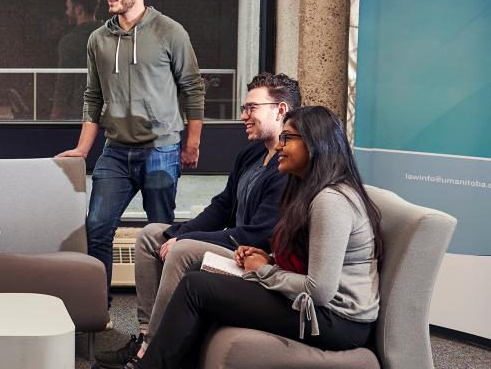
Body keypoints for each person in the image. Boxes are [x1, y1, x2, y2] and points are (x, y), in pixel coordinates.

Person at [105, 106, 383, 369]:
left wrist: (263, 271)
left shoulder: (330, 200)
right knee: (195, 272)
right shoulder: (307, 191)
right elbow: (307, 257)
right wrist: (268, 258)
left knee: (196, 287)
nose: (280, 146)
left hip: (336, 321)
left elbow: (320, 290)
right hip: (313, 308)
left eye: (287, 138)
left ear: (314, 144)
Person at [96, 73, 301, 366]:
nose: (244, 116)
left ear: (280, 109)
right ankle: (144, 334)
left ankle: (151, 351)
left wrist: (187, 239)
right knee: (151, 235)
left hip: (253, 255)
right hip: (234, 242)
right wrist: (179, 231)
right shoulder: (252, 154)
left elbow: (258, 235)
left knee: (181, 249)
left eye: (251, 108)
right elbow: (222, 206)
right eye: (244, 108)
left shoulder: (287, 166)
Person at [57, 0, 206, 307]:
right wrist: (82, 148)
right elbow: (92, 96)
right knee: (96, 228)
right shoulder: (98, 39)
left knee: (160, 235)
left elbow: (193, 87)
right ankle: (98, 307)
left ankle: (159, 311)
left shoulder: (170, 31)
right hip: (115, 151)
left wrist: (193, 141)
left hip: (162, 150)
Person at [50, 0, 103, 120]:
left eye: (68, 8)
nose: (66, 12)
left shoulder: (69, 42)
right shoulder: (114, 37)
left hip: (80, 115)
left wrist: (54, 119)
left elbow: (64, 85)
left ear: (79, 9)